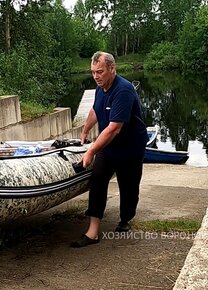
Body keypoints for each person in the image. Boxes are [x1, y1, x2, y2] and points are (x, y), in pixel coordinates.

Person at [71, 51, 148, 248]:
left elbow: (114, 128)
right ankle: (93, 232)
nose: (96, 76)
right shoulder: (100, 88)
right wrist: (86, 130)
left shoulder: (124, 90)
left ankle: (125, 219)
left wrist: (90, 151)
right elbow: (96, 110)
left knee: (129, 187)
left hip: (130, 147)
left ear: (112, 69)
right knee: (98, 179)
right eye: (93, 72)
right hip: (110, 146)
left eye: (100, 71)